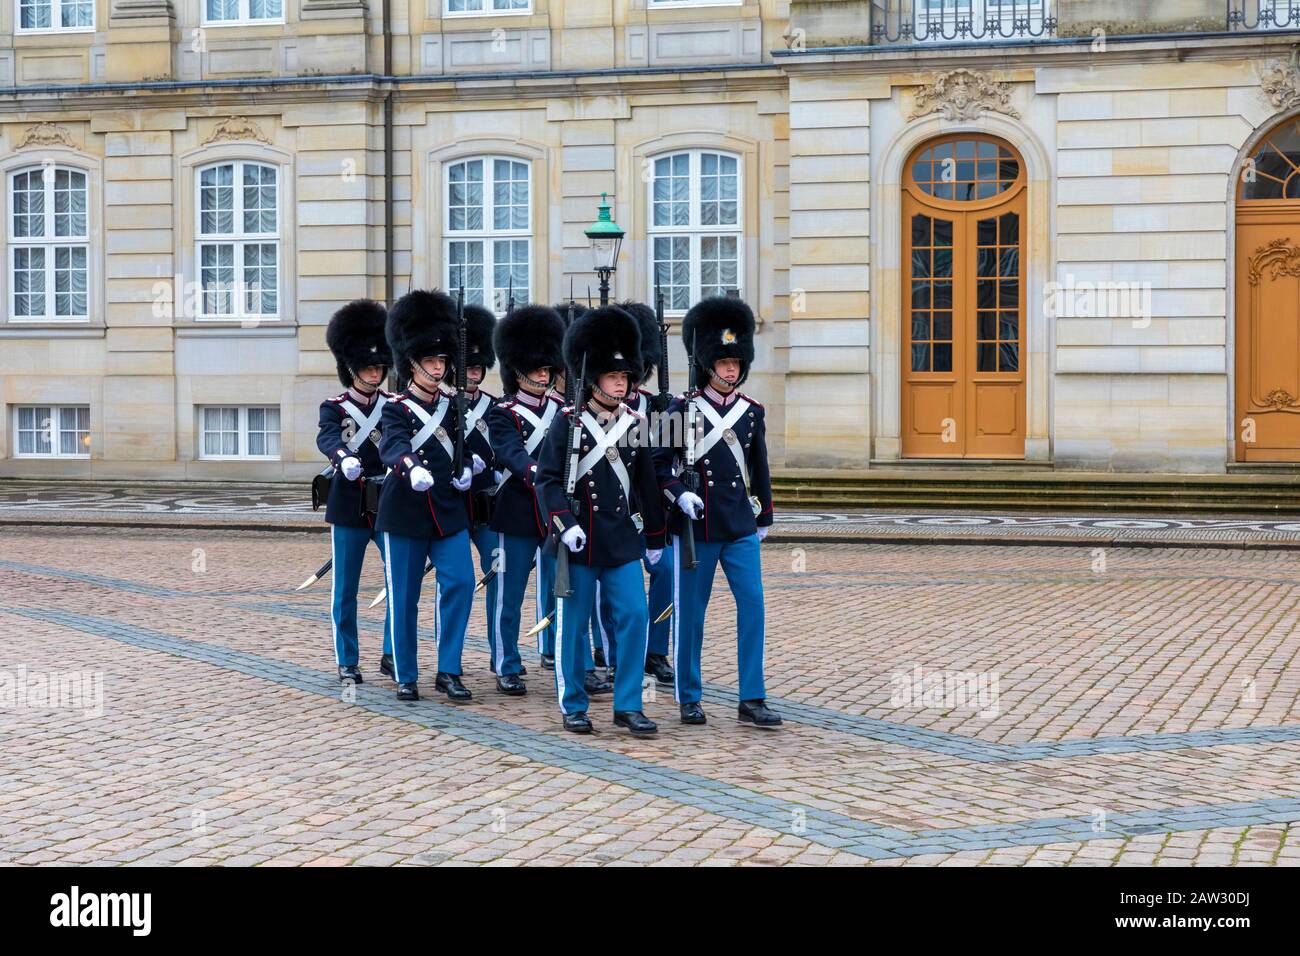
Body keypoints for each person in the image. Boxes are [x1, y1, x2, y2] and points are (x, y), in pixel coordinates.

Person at [535, 305, 667, 736]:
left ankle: (628, 703)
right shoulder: (567, 424)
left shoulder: (635, 423)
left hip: (622, 541)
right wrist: (563, 523)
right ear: (594, 380)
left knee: (634, 616)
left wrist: (655, 535)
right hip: (579, 541)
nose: (621, 383)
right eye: (614, 377)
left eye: (625, 377)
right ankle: (573, 703)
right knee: (572, 627)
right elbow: (548, 481)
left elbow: (646, 484)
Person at [653, 296, 782, 728]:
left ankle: (753, 696)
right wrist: (676, 494)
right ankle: (689, 694)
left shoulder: (751, 412)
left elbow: (759, 468)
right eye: (723, 361)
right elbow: (656, 464)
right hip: (697, 527)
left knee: (754, 607)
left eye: (735, 362)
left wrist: (763, 517)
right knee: (691, 613)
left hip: (739, 526)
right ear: (707, 363)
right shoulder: (680, 410)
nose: (730, 369)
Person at [375, 289, 483, 702]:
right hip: (405, 511)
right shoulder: (397, 407)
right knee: (404, 596)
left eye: (442, 361)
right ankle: (406, 673)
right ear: (413, 364)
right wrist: (411, 467)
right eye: (431, 361)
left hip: (448, 511)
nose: (438, 368)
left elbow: (463, 446)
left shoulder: (454, 405)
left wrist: (470, 468)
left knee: (460, 581)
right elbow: (392, 446)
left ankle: (449, 668)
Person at [589, 301, 675, 689]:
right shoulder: (601, 410)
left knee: (666, 572)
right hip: (614, 511)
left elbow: (668, 462)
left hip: (650, 510)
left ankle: (655, 650)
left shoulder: (658, 407)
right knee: (608, 589)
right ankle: (612, 654)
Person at [486, 304, 567, 696]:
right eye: (536, 369)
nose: (542, 374)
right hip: (518, 510)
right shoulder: (505, 413)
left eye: (546, 368)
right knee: (510, 593)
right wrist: (537, 473)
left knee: (563, 589)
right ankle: (506, 662)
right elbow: (509, 452)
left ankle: (562, 656)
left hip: (555, 512)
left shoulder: (563, 411)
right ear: (518, 370)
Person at [317, 299, 394, 684]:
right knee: (345, 588)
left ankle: (392, 651)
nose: (375, 373)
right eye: (368, 367)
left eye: (380, 366)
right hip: (349, 503)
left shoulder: (396, 406)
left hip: (388, 503)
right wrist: (342, 456)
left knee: (400, 580)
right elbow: (327, 436)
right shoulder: (334, 407)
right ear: (351, 368)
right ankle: (347, 658)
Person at [458, 304, 504, 681]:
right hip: (453, 505)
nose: (474, 374)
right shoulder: (441, 406)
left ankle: (499, 653)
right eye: (468, 367)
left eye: (478, 368)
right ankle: (449, 660)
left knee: (498, 575)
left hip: (487, 505)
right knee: (454, 584)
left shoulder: (494, 407)